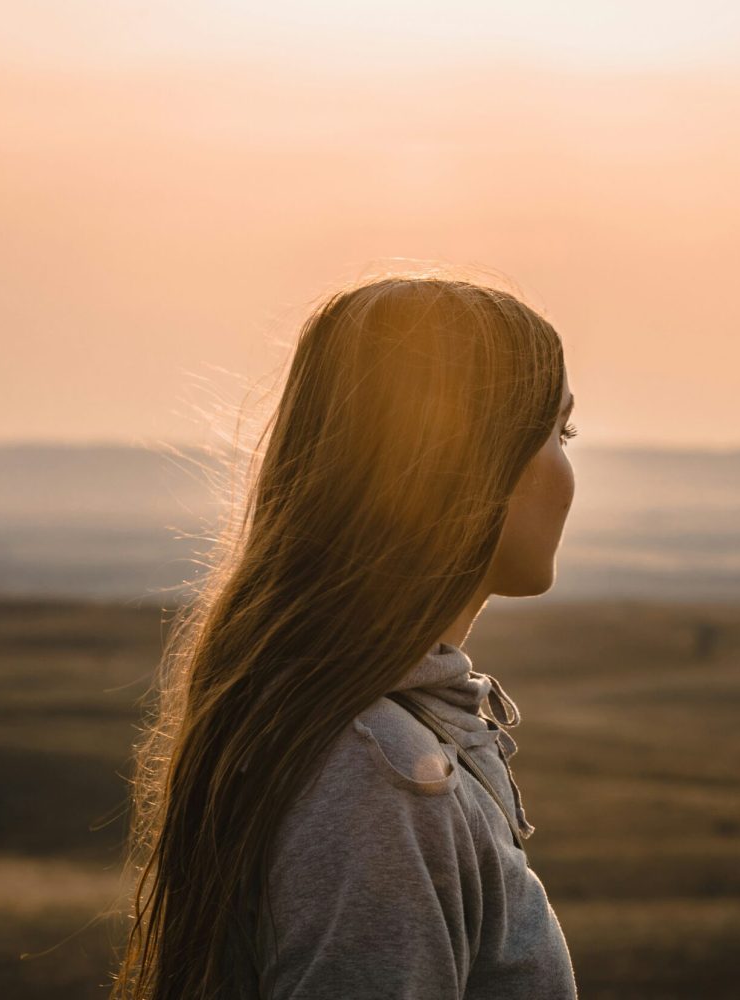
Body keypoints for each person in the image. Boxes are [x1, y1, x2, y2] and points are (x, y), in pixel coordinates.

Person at [109, 271, 579, 999]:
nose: (569, 467)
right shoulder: (381, 778)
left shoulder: (383, 742)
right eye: (560, 430)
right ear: (471, 460)